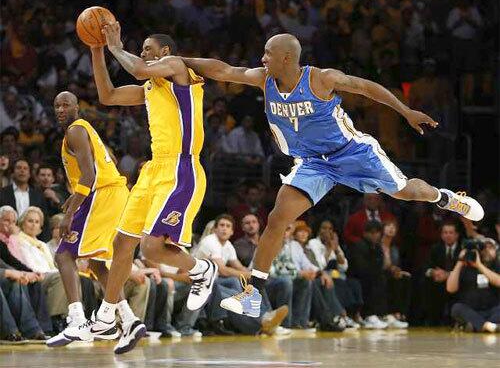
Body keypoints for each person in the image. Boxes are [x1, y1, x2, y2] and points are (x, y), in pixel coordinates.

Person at [183, 33, 484, 316]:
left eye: (267, 53)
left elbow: (367, 88)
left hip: (352, 153)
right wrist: (182, 62)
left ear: (287, 58)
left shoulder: (321, 78)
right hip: (313, 162)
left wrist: (406, 111)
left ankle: (445, 198)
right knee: (277, 217)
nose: (262, 59)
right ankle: (253, 294)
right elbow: (224, 70)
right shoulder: (264, 80)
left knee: (405, 190)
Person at [72, 23, 217, 354]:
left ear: (164, 52)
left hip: (182, 168)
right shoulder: (150, 88)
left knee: (151, 249)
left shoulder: (178, 68)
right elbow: (107, 96)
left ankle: (202, 269)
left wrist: (113, 46)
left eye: (148, 49)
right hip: (153, 170)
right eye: (142, 49)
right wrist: (97, 51)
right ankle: (108, 314)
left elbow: (137, 69)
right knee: (122, 243)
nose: (142, 53)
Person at [46, 91, 130, 348]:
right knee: (96, 263)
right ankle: (127, 319)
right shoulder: (85, 130)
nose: (60, 109)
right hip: (114, 193)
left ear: (76, 107)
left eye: (66, 104)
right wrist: (75, 198)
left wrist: (69, 214)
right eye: (56, 105)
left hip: (102, 194)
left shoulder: (75, 130)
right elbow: (112, 160)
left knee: (63, 254)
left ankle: (77, 321)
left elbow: (89, 176)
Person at [447, 238, 500, 333]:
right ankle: (487, 326)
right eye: (484, 248)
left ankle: (475, 326)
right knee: (457, 308)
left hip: (493, 310)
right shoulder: (465, 266)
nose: (487, 250)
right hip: (471, 310)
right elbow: (450, 288)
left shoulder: (496, 266)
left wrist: (479, 266)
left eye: (490, 248)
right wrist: (459, 262)